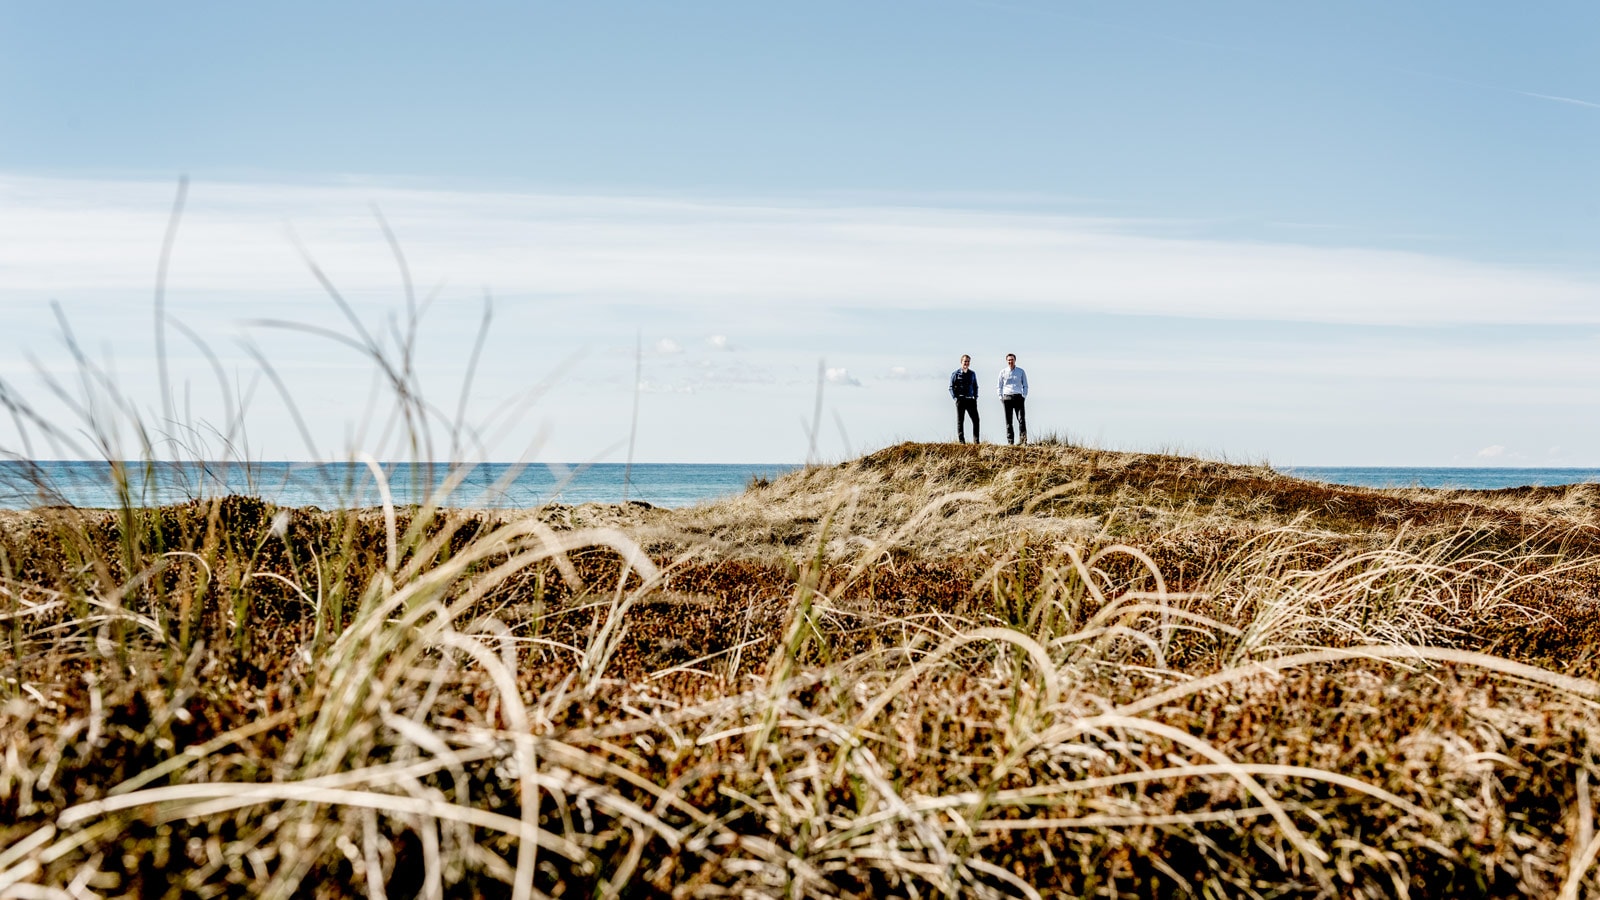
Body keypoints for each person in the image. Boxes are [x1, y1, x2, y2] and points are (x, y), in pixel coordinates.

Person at [997, 353, 1028, 445]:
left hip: (1018, 397)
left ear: (1015, 360)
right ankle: (1010, 442)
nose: (1010, 361)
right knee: (1009, 421)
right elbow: (999, 386)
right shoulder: (1003, 372)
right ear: (1007, 361)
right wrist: (1000, 397)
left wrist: (1024, 396)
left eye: (1012, 360)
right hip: (1007, 397)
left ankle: (1023, 441)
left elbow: (1025, 385)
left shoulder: (1021, 371)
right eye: (1009, 360)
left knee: (1021, 419)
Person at [949, 354, 980, 443]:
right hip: (960, 400)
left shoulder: (972, 374)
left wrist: (975, 397)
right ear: (961, 362)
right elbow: (951, 387)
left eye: (968, 361)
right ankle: (961, 441)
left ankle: (976, 441)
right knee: (960, 421)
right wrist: (955, 398)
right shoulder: (955, 374)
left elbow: (975, 386)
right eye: (965, 361)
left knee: (976, 420)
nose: (966, 363)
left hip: (971, 400)